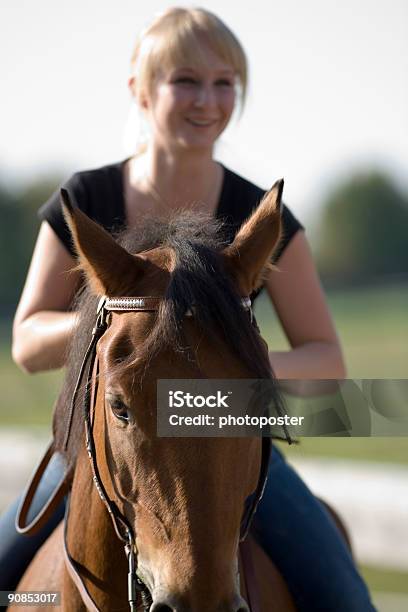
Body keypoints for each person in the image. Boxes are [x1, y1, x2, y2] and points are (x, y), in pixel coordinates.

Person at [2, 7, 375, 611]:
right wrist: (122, 314)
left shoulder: (262, 212)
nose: (208, 100)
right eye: (186, 80)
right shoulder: (86, 198)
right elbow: (25, 339)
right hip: (107, 442)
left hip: (230, 444)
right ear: (139, 90)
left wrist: (228, 377)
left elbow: (326, 359)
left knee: (344, 595)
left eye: (224, 82)